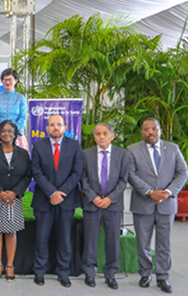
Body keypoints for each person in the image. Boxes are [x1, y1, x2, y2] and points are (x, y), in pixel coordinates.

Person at [128, 118, 187, 294]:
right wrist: (149, 192)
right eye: (146, 129)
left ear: (160, 131)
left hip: (166, 204)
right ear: (142, 132)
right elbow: (130, 174)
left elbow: (183, 172)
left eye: (154, 129)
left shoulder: (173, 149)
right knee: (142, 242)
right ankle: (145, 274)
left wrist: (168, 192)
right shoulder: (132, 150)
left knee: (164, 244)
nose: (150, 132)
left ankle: (162, 277)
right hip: (142, 203)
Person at [31, 115, 84, 288]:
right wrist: (51, 192)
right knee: (41, 238)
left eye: (59, 125)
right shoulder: (38, 146)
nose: (55, 128)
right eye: (52, 125)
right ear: (47, 128)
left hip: (66, 200)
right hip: (43, 200)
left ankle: (63, 272)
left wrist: (61, 193)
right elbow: (36, 172)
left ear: (65, 127)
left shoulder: (74, 145)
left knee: (64, 239)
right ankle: (39, 272)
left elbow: (77, 172)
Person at [81, 123, 130, 290]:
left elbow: (124, 180)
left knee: (112, 241)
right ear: (94, 137)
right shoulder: (86, 154)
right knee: (90, 240)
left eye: (105, 133)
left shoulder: (122, 155)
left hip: (113, 205)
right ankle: (89, 273)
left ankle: (110, 274)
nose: (101, 136)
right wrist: (93, 197)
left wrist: (110, 198)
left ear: (112, 136)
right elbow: (83, 179)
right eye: (98, 134)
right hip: (92, 204)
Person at [0, 120, 32, 282]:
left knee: (11, 231)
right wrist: (0, 192)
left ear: (15, 133)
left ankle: (10, 265)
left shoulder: (23, 153)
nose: (6, 134)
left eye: (10, 131)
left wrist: (15, 192)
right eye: (3, 131)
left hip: (14, 198)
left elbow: (27, 175)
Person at [0, 68, 29, 151]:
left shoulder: (21, 98)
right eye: (5, 80)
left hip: (16, 135)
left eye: (10, 80)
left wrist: (15, 131)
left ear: (16, 80)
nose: (7, 82)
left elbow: (23, 116)